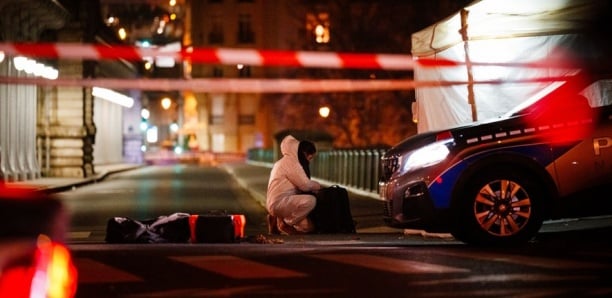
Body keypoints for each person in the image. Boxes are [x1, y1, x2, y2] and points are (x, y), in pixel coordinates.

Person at [266, 135, 321, 235]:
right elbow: (305, 185)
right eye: (310, 157)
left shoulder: (282, 161)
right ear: (304, 153)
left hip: (278, 202)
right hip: (280, 202)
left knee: (309, 226)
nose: (310, 160)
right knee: (311, 201)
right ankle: (286, 223)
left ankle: (277, 219)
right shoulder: (291, 162)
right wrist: (318, 186)